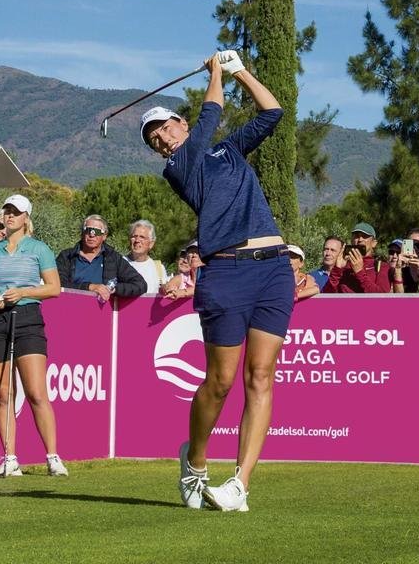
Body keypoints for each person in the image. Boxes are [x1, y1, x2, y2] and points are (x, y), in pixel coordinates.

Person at [140, 50, 293, 512]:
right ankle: (196, 459)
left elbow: (272, 112)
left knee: (261, 376)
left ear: (179, 123)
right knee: (221, 381)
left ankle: (241, 485)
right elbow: (212, 111)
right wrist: (214, 74)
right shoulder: (179, 168)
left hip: (273, 269)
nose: (161, 140)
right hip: (225, 272)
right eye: (153, 140)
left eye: (164, 128)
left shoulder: (227, 149)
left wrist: (240, 70)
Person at [0, 195, 68, 478]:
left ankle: (52, 457)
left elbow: (53, 288)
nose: (11, 216)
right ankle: (10, 458)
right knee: (3, 394)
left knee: (36, 392)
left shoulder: (40, 249)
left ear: (27, 218)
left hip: (28, 319)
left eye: (17, 212)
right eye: (8, 211)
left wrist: (23, 292)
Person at [55, 215, 146, 301]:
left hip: (102, 314)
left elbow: (140, 284)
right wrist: (89, 287)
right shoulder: (66, 256)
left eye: (97, 231)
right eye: (88, 230)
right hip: (70, 311)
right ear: (82, 233)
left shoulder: (113, 258)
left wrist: (113, 289)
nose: (92, 235)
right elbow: (57, 284)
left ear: (104, 236)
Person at [322, 222, 391, 293]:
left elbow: (382, 297)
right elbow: (327, 295)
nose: (360, 239)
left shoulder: (382, 266)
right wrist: (337, 269)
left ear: (374, 243)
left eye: (365, 236)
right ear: (352, 240)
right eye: (356, 236)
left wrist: (359, 272)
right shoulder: (344, 265)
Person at [125, 219, 169, 293]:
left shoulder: (159, 268)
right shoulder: (119, 263)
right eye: (134, 236)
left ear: (151, 244)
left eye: (142, 237)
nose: (137, 240)